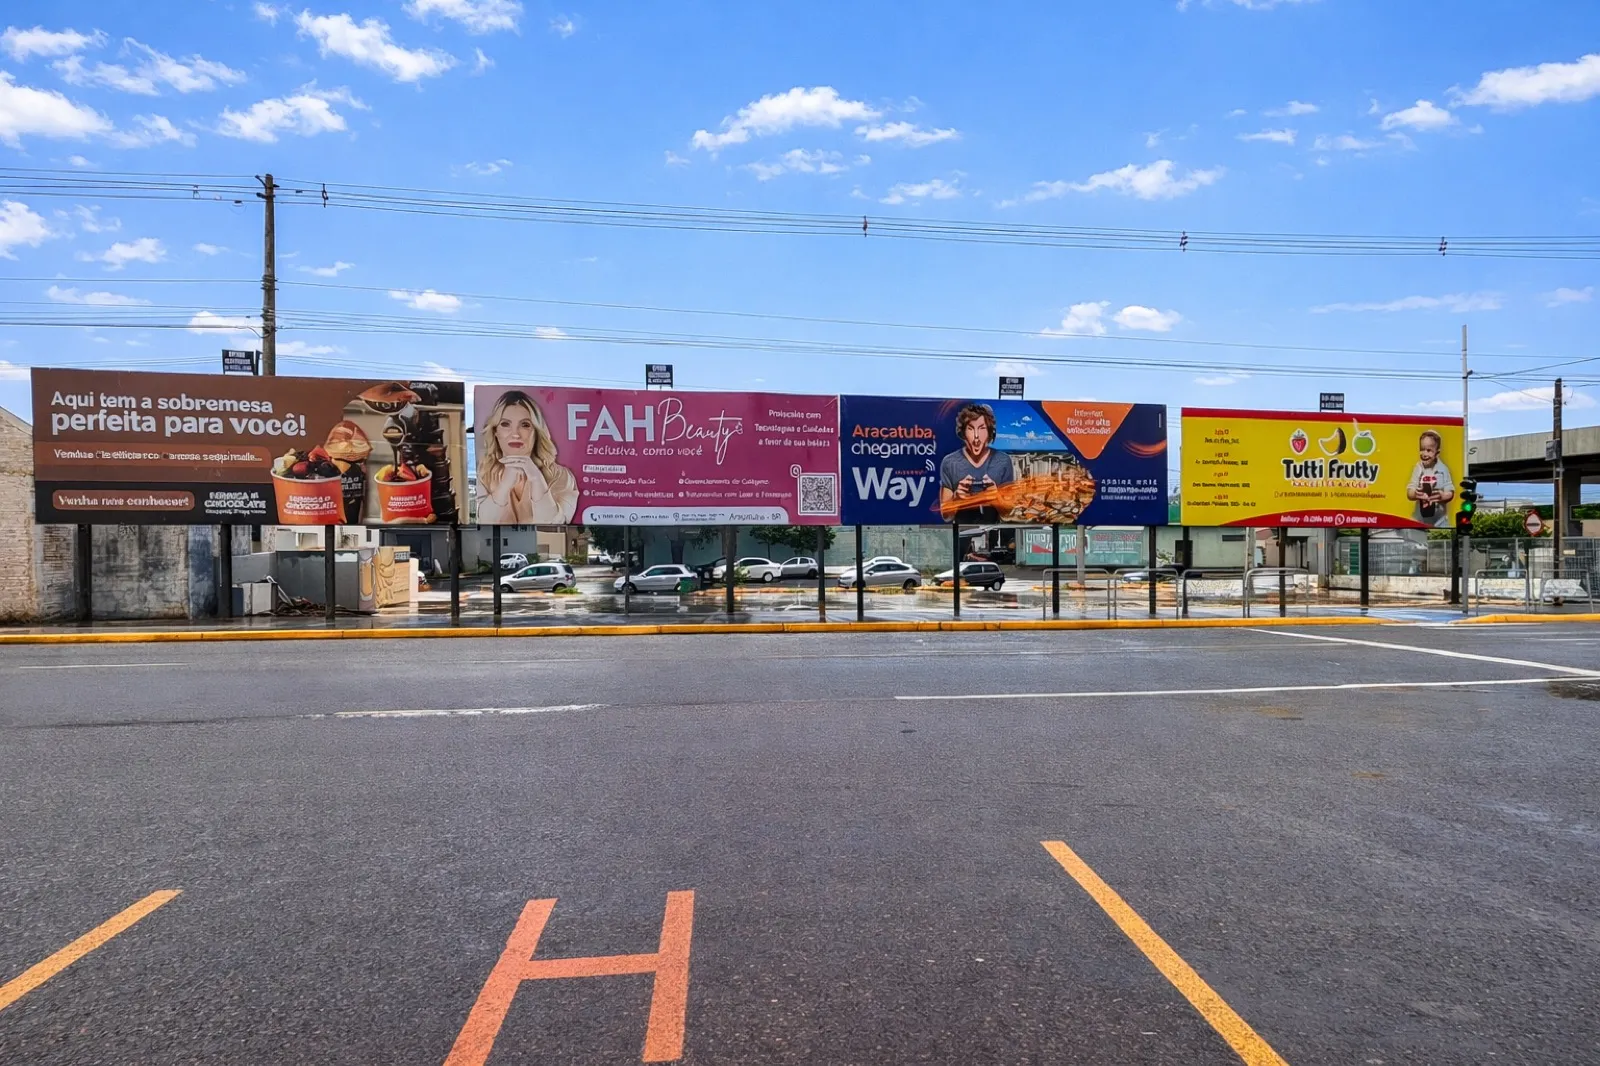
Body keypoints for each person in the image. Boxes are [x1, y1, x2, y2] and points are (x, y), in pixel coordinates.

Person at [477, 390, 579, 524]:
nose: (515, 434)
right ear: (495, 431)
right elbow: (483, 523)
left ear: (536, 431)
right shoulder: (484, 473)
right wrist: (504, 485)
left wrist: (536, 478)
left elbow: (554, 524)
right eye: (505, 424)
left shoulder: (561, 475)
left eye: (525, 425)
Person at [939, 403, 1015, 523]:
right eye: (970, 428)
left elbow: (1008, 512)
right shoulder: (950, 462)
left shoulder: (1003, 461)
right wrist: (956, 498)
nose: (976, 437)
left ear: (990, 432)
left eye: (982, 428)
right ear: (962, 432)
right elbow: (946, 515)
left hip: (993, 537)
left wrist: (996, 497)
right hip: (961, 536)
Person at [1405, 429, 1455, 527]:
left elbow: (1450, 491)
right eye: (1422, 449)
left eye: (1428, 450)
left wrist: (1443, 496)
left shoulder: (1443, 469)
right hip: (1420, 519)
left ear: (1437, 453)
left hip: (1440, 520)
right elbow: (1410, 490)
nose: (1424, 453)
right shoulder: (1418, 467)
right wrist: (1415, 493)